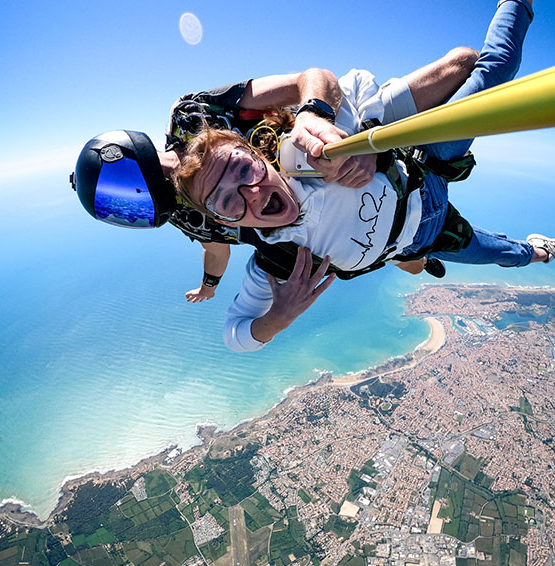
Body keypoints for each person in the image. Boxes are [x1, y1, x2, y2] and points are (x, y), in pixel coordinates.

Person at [174, 0, 551, 353]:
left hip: (426, 168)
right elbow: (234, 335)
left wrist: (364, 139)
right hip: (428, 239)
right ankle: (537, 250)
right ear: (224, 220)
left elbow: (353, 83)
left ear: (262, 156)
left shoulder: (309, 151)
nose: (252, 192)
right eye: (228, 200)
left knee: (497, 69)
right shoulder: (277, 261)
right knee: (511, 255)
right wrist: (278, 318)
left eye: (244, 168)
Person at [71, 49, 479, 301]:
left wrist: (312, 115)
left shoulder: (196, 113)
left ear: (135, 154)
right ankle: (422, 252)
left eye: (129, 197)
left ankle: (407, 162)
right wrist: (210, 286)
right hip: (326, 226)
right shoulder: (182, 211)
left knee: (463, 64)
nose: (140, 205)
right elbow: (215, 244)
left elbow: (312, 78)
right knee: (406, 257)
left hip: (338, 137)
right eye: (126, 211)